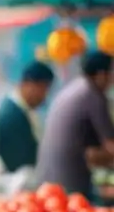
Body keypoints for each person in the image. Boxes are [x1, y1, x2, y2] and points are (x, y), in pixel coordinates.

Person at [36, 51, 114, 197]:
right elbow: (111, 145)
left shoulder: (76, 88)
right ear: (102, 74)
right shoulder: (92, 95)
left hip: (46, 179)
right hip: (68, 183)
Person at [0, 62, 55, 174]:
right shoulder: (11, 115)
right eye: (43, 89)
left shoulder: (25, 109)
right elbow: (18, 162)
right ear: (28, 84)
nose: (44, 96)